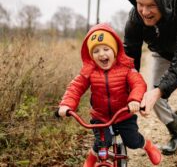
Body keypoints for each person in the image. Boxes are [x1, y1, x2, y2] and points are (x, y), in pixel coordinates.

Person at [57, 23, 161, 166]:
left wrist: (134, 100)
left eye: (106, 49)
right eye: (96, 51)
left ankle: (147, 145)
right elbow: (75, 88)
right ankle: (92, 157)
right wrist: (66, 105)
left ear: (115, 51)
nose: (101, 54)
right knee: (102, 143)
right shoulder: (89, 71)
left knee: (132, 140)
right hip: (101, 116)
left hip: (124, 113)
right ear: (91, 55)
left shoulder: (126, 68)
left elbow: (139, 84)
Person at [124, 0, 177, 166]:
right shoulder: (135, 17)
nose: (144, 12)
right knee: (152, 95)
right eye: (140, 4)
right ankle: (176, 134)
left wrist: (161, 90)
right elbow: (130, 59)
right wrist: (127, 90)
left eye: (151, 6)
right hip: (161, 52)